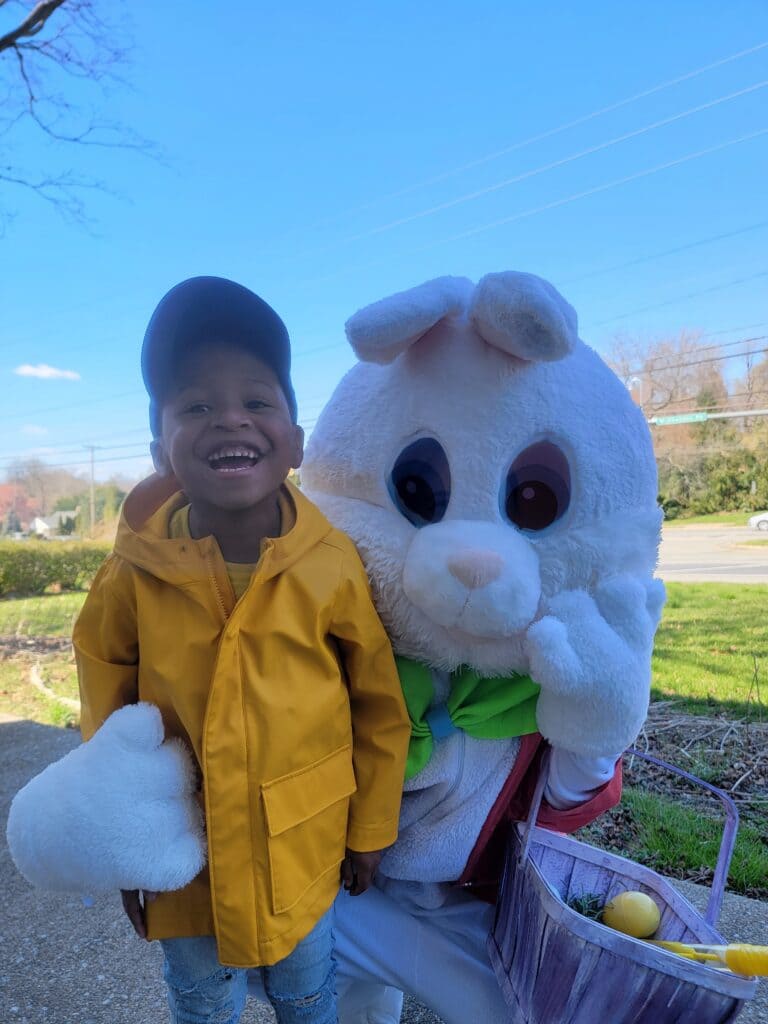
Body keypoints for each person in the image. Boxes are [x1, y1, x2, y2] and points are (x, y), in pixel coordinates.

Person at [72, 275, 411, 1024]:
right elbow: (106, 716)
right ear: (159, 442)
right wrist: (123, 844)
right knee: (199, 999)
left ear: (293, 438)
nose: (230, 419)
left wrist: (369, 831)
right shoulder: (130, 573)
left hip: (305, 846)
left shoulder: (330, 562)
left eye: (258, 401)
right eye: (195, 404)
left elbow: (380, 707)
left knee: (307, 991)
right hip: (179, 855)